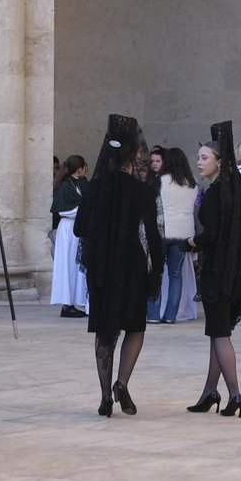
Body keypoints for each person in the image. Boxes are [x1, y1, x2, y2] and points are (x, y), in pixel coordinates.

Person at [75, 114, 164, 417]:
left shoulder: (94, 188)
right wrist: (158, 270)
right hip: (132, 268)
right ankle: (122, 382)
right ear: (135, 154)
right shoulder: (142, 191)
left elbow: (79, 229)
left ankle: (103, 395)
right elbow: (152, 234)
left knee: (105, 330)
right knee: (135, 327)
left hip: (102, 268)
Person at [184, 122, 241, 417]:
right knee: (217, 332)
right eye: (198, 157)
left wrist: (190, 242)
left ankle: (235, 393)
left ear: (220, 163)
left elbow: (209, 234)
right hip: (234, 269)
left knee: (220, 334)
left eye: (204, 158)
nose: (199, 162)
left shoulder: (215, 193)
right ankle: (210, 392)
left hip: (217, 271)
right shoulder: (236, 191)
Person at [148, 147, 198, 324]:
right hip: (184, 234)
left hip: (162, 231)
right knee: (176, 276)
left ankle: (153, 315)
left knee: (156, 273)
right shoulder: (192, 184)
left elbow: (151, 206)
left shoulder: (160, 181)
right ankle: (170, 316)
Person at [50, 155, 90, 318]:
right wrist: (83, 210)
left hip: (77, 228)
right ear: (79, 169)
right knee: (68, 265)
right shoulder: (65, 185)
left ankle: (74, 301)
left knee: (76, 266)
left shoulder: (80, 183)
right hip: (68, 229)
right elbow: (62, 210)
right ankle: (67, 304)